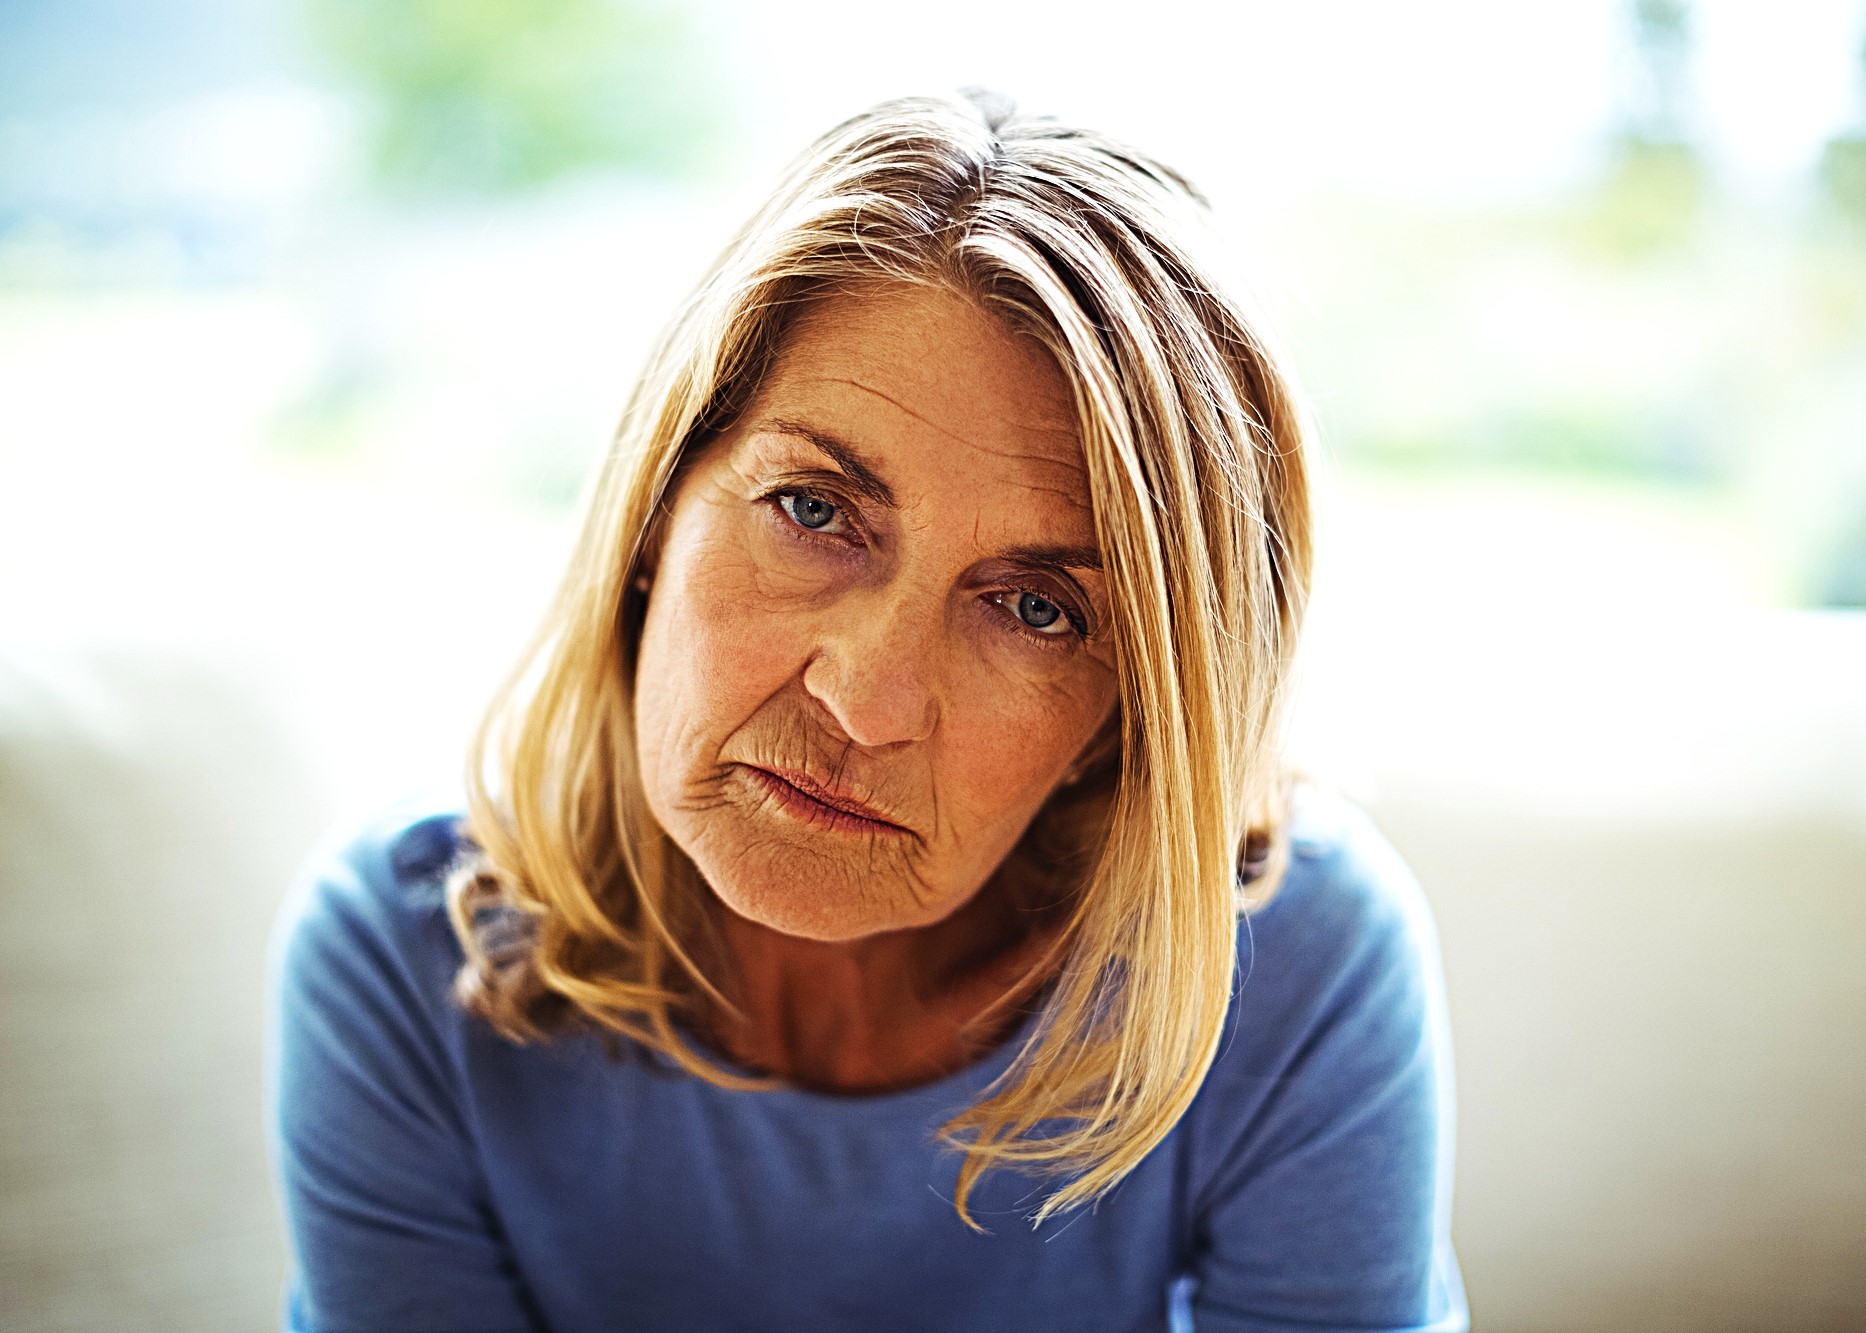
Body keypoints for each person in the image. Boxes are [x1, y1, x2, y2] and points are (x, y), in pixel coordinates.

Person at [265, 90, 1469, 1333]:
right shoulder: (406, 949)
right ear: (653, 516)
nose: (866, 700)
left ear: (1126, 717)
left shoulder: (1286, 964)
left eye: (1038, 609)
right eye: (813, 510)